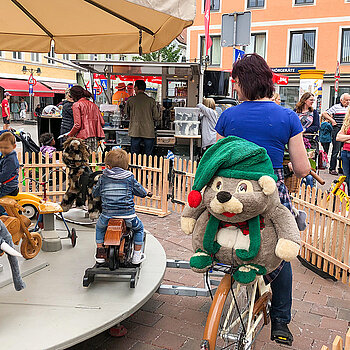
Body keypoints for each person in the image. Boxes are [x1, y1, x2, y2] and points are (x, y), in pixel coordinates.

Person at [215, 53, 310, 346]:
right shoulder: (287, 117)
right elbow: (303, 168)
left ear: (242, 83)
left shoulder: (229, 116)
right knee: (281, 251)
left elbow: (216, 158)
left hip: (234, 192)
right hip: (270, 192)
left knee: (233, 236)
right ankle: (281, 322)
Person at [92, 148, 150, 264]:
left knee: (99, 227)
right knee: (139, 228)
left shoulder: (103, 178)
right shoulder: (129, 177)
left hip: (108, 214)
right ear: (126, 166)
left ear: (108, 166)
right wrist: (146, 192)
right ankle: (137, 256)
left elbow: (95, 192)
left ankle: (100, 252)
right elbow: (140, 191)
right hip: (128, 214)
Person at [126, 80, 160, 156]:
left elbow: (126, 114)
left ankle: (134, 167)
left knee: (134, 154)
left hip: (135, 130)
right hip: (148, 131)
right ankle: (147, 167)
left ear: (136, 88)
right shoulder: (151, 101)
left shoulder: (131, 100)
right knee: (148, 155)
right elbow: (156, 116)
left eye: (134, 87)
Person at [67, 85, 105, 153]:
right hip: (95, 136)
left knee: (82, 159)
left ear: (74, 96)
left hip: (82, 137)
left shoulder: (77, 105)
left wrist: (70, 135)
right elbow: (102, 122)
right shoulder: (93, 105)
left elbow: (77, 125)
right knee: (93, 159)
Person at [294, 92, 320, 188]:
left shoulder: (314, 113)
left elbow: (316, 127)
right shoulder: (296, 111)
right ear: (305, 100)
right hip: (297, 140)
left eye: (313, 100)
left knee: (311, 164)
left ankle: (311, 188)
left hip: (310, 141)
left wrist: (305, 130)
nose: (313, 102)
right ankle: (297, 186)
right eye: (311, 100)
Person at [322, 93, 350, 175]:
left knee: (344, 149)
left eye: (349, 100)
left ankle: (341, 168)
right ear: (342, 100)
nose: (348, 102)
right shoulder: (336, 107)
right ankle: (332, 168)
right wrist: (332, 121)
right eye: (346, 100)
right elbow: (324, 113)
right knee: (336, 150)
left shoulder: (349, 108)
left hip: (345, 129)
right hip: (337, 129)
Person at [0, 133, 20, 212]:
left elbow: (4, 175)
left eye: (6, 148)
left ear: (14, 147)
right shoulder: (4, 155)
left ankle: (3, 213)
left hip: (8, 185)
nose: (3, 150)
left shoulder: (11, 159)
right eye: (1, 147)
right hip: (5, 183)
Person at [336, 108, 350, 195]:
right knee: (347, 179)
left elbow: (342, 137)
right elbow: (338, 137)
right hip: (345, 153)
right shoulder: (347, 123)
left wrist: (345, 138)